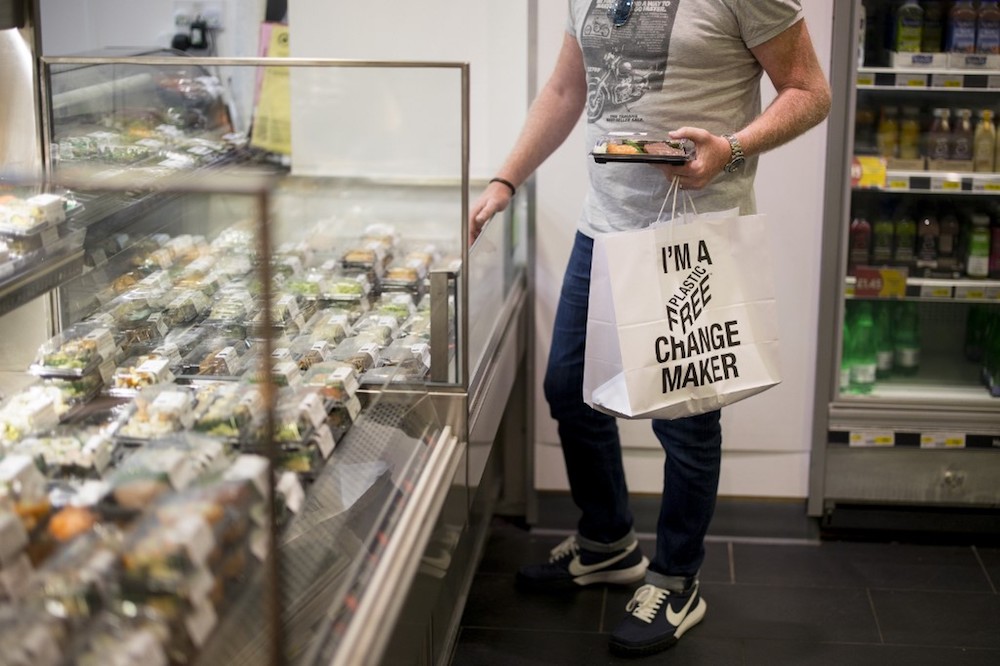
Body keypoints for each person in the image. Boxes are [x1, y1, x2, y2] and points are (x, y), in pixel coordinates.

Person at [469, 0, 831, 659]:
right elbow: (565, 88)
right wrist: (505, 179)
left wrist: (734, 149)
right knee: (569, 389)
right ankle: (608, 541)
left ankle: (676, 577)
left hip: (691, 230)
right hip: (602, 226)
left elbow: (810, 91)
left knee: (684, 414)